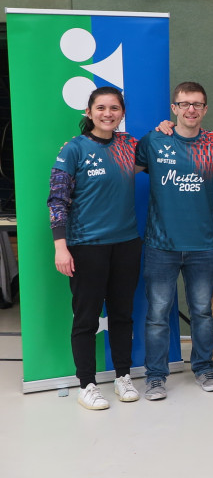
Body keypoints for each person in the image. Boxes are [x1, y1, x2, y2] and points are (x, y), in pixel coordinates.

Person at [137, 82, 213, 401]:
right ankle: (155, 377)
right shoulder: (154, 141)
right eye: (184, 104)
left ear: (205, 109)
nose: (191, 109)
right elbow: (123, 170)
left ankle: (204, 369)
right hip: (160, 246)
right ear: (174, 108)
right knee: (157, 315)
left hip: (202, 248)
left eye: (197, 104)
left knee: (202, 313)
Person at [49, 86, 142, 410]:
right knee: (86, 319)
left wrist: (166, 127)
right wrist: (61, 247)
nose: (108, 113)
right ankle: (86, 384)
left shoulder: (129, 145)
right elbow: (57, 200)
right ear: (89, 112)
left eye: (114, 108)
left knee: (122, 315)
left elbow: (161, 150)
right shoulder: (73, 149)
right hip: (86, 246)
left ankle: (123, 376)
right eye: (101, 108)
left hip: (126, 244)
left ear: (122, 113)